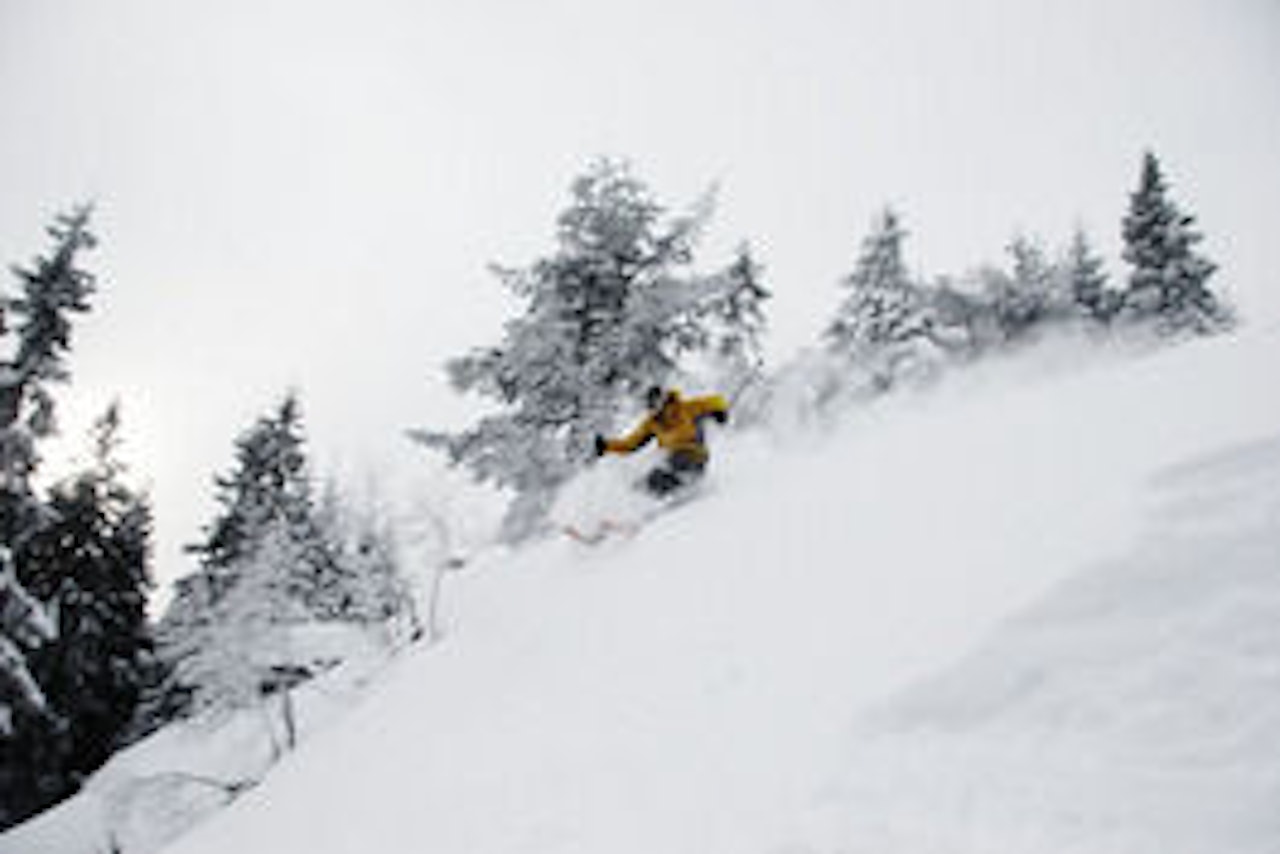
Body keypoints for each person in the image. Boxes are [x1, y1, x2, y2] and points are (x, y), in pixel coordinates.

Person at [595, 386, 729, 496]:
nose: (654, 409)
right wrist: (606, 445)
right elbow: (631, 444)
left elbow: (715, 401)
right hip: (674, 458)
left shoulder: (685, 408)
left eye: (656, 403)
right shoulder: (652, 423)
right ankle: (637, 506)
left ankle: (679, 488)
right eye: (651, 406)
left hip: (695, 454)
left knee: (667, 469)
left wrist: (720, 411)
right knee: (645, 482)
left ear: (663, 399)